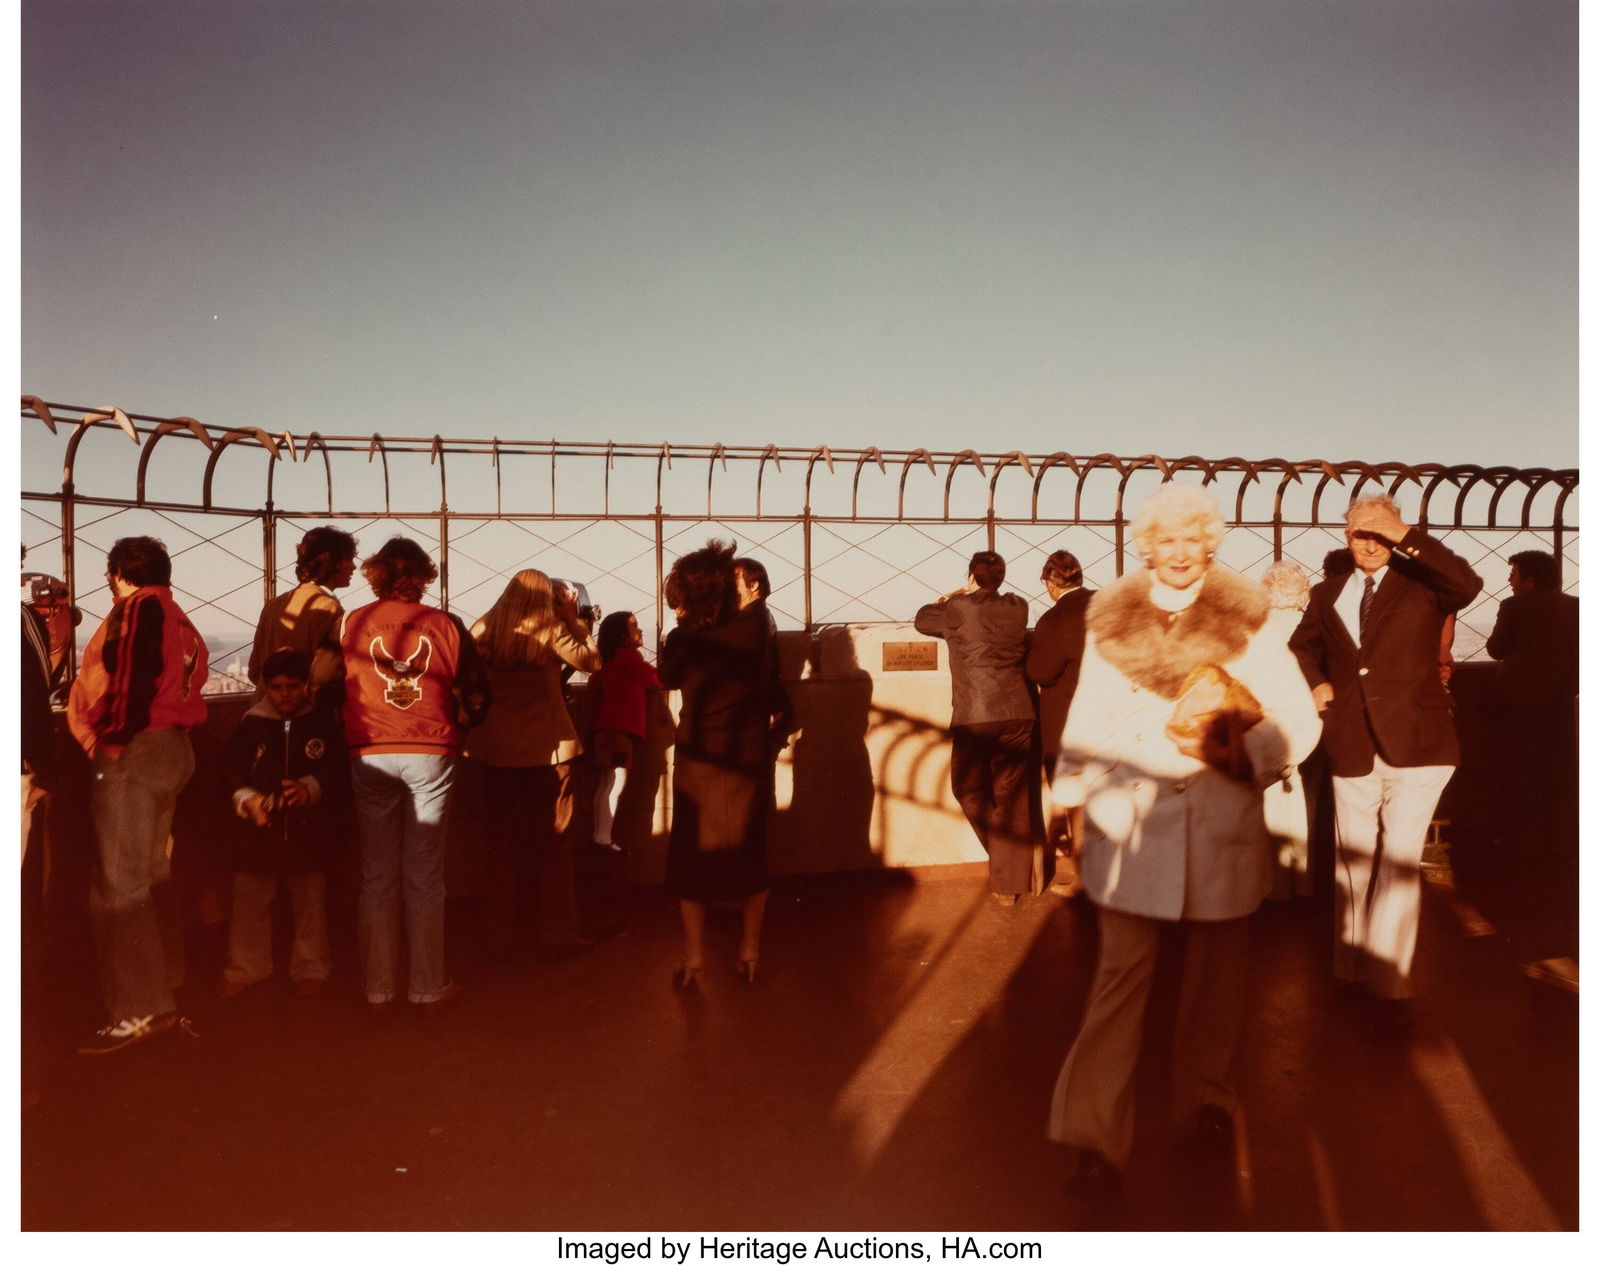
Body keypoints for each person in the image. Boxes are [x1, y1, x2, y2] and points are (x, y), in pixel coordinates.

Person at [1046, 486, 1319, 1194]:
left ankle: (1208, 1103)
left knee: (1216, 985)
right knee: (1118, 981)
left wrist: (1236, 750)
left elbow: (1294, 716)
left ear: (1210, 544)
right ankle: (1094, 1137)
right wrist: (1068, 790)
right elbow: (1088, 715)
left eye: (1190, 539)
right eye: (1164, 539)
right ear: (1146, 545)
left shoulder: (1247, 620)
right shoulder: (1111, 621)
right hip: (1129, 823)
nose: (1176, 552)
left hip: (1218, 815)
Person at [1289, 495, 1481, 1004]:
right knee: (1351, 864)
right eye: (1360, 533)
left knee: (1397, 862)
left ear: (1396, 532)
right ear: (1345, 536)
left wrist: (1406, 536)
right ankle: (1350, 971)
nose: (1370, 543)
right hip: (1352, 743)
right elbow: (1300, 647)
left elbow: (1468, 583)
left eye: (1380, 532)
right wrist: (1316, 686)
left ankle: (1389, 985)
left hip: (1420, 748)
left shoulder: (1425, 583)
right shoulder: (1327, 593)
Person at [67, 536, 210, 1054]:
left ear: (116, 574)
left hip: (136, 752)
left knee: (118, 889)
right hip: (174, 749)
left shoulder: (137, 608)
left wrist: (108, 742)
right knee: (151, 875)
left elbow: (131, 678)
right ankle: (164, 980)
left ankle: (138, 1009)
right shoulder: (181, 618)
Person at [339, 537, 490, 1015]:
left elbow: (326, 683)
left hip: (370, 752)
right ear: (424, 576)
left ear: (376, 575)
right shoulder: (446, 625)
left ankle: (377, 989)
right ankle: (427, 987)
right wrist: (455, 729)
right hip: (431, 750)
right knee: (424, 875)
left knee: (376, 875)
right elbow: (478, 697)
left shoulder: (353, 623)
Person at [465, 568, 600, 953]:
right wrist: (574, 620)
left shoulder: (481, 629)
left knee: (500, 847)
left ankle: (497, 936)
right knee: (555, 847)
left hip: (495, 752)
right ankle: (558, 934)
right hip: (549, 753)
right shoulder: (553, 631)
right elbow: (592, 662)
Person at [660, 540, 774, 986]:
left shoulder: (683, 638)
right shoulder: (752, 630)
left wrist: (684, 619)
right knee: (751, 855)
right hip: (746, 756)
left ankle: (693, 958)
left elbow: (666, 676)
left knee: (691, 861)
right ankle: (750, 948)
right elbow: (752, 611)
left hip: (699, 758)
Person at [915, 550, 1046, 904]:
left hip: (975, 714)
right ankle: (1011, 879)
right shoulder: (1018, 607)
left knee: (968, 789)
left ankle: (1005, 858)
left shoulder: (959, 610)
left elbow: (922, 620)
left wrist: (957, 595)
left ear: (972, 576)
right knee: (1013, 797)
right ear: (1002, 577)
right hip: (1019, 711)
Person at [216, 649, 347, 998]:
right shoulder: (251, 724)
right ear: (265, 687)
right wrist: (246, 797)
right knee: (249, 899)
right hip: (259, 830)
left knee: (310, 900)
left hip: (308, 831)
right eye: (276, 687)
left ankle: (311, 967)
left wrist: (312, 788)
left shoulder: (322, 722)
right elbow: (230, 770)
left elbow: (337, 768)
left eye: (293, 686)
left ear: (306, 685)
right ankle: (246, 967)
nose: (285, 694)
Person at [1484, 550, 1578, 857]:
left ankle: (1522, 843)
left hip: (1519, 703)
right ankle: (1558, 842)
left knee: (1519, 773)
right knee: (1559, 773)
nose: (1510, 581)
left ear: (1529, 580)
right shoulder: (1577, 607)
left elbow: (1496, 649)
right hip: (1565, 703)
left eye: (1513, 575)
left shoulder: (1513, 606)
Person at [1025, 549, 1093, 894]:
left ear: (1051, 582)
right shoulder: (1106, 607)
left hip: (1068, 720)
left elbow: (1041, 672)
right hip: (1112, 717)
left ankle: (1083, 878)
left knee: (1076, 800)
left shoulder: (1053, 620)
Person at [250, 526, 358, 710]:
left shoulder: (274, 605)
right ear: (330, 562)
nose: (354, 566)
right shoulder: (328, 608)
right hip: (304, 718)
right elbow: (326, 677)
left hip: (263, 713)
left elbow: (254, 670)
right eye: (348, 559)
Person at [1259, 559, 1314, 899]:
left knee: (1269, 806)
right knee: (1307, 804)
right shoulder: (1313, 627)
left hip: (1268, 726)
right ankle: (1303, 881)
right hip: (1307, 724)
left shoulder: (1257, 630)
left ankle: (1272, 885)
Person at [589, 610, 663, 856]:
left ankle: (601, 834)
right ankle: (603, 837)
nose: (640, 631)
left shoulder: (610, 661)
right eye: (634, 626)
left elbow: (593, 684)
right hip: (620, 731)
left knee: (606, 782)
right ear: (622, 636)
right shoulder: (630, 660)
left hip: (606, 729)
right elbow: (657, 679)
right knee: (615, 783)